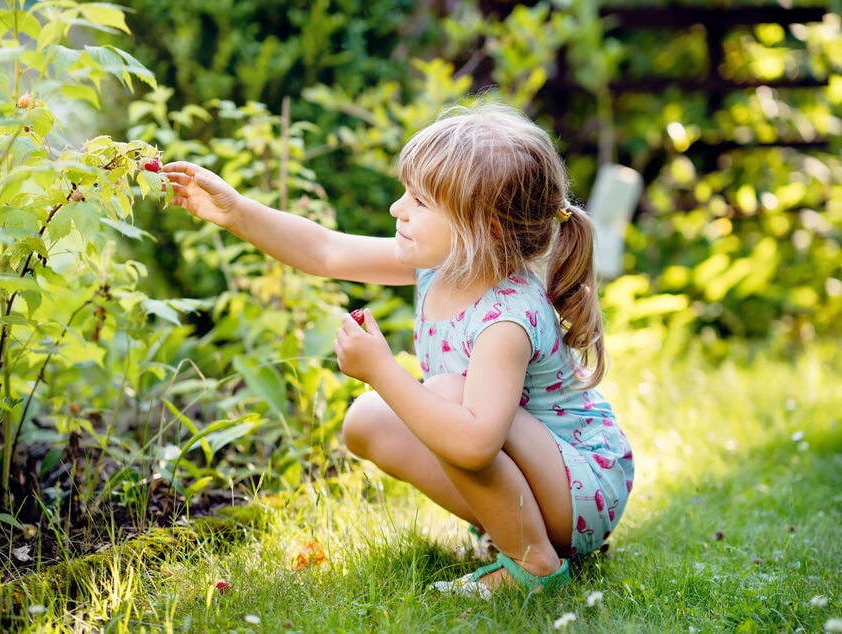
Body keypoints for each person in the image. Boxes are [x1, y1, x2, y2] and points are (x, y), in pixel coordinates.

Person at [163, 102, 634, 600]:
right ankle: (510, 528)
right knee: (368, 420)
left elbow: (475, 443)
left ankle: (533, 561)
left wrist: (382, 371)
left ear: (486, 229)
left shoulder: (508, 318)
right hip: (545, 481)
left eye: (421, 201)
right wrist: (236, 212)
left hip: (584, 490)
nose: (397, 209)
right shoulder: (444, 264)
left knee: (447, 395)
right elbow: (326, 251)